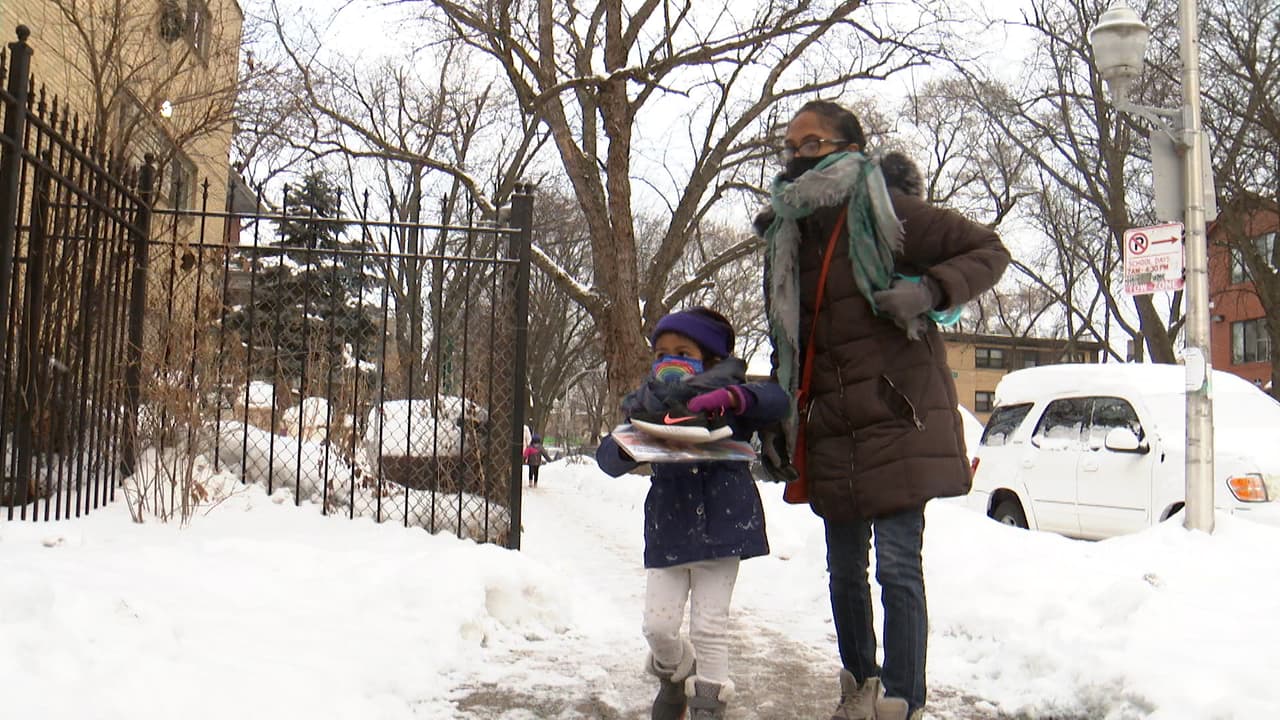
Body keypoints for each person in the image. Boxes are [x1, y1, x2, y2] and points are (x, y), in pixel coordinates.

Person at [755, 100, 1010, 720]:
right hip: (832, 424)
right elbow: (792, 335)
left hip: (898, 414)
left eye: (812, 144)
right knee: (844, 571)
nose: (797, 156)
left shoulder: (884, 208)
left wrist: (930, 290)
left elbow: (988, 250)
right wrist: (779, 413)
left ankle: (902, 700)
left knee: (897, 568)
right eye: (791, 147)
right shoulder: (787, 232)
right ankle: (860, 684)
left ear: (849, 146)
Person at [595, 307, 789, 720]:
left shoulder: (734, 398)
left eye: (683, 351)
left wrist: (736, 397)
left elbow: (778, 400)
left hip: (724, 530)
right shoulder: (646, 402)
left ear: (712, 360)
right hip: (669, 529)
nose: (669, 361)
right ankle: (675, 674)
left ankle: (708, 707)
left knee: (709, 627)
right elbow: (609, 459)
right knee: (657, 628)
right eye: (661, 353)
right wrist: (633, 441)